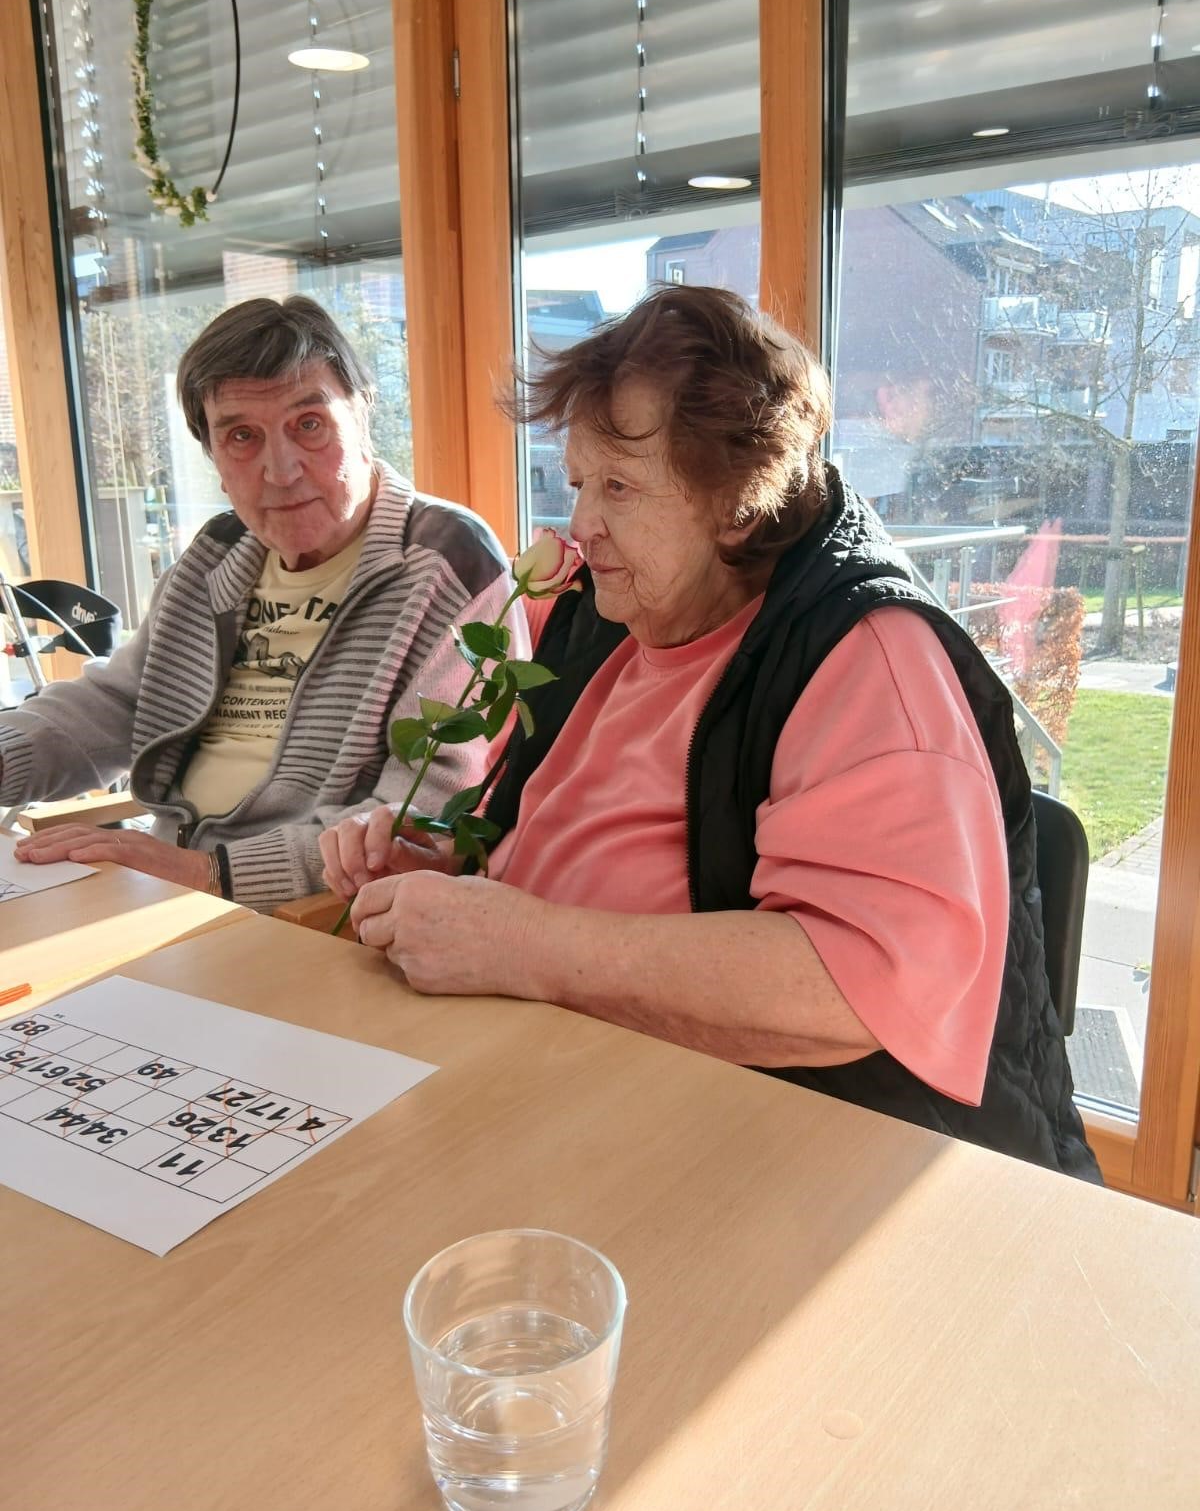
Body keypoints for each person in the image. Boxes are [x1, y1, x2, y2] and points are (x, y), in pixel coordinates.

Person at [320, 285, 1098, 1179]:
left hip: (815, 1169)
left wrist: (523, 945)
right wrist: (447, 882)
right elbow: (558, 850)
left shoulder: (867, 658)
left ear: (738, 503)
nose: (580, 526)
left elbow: (853, 988)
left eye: (620, 487)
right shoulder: (615, 610)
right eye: (578, 484)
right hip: (582, 1095)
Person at [0, 295, 526, 911]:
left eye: (310, 424)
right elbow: (116, 705)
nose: (281, 470)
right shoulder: (218, 553)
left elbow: (429, 814)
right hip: (166, 887)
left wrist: (208, 873)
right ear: (215, 459)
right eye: (242, 436)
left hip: (306, 915)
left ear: (362, 417)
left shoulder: (448, 561)